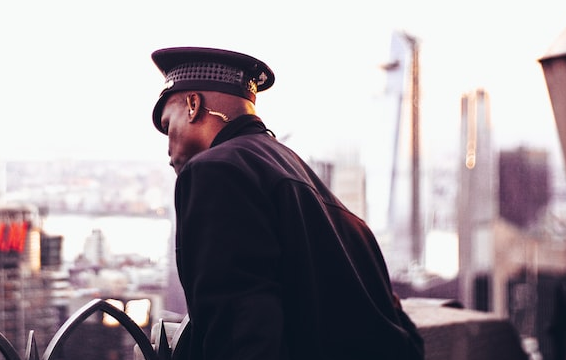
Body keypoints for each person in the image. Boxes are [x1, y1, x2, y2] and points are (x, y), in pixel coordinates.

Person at [150, 46, 424, 360]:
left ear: (193, 105)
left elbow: (240, 329)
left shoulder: (217, 170)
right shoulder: (303, 177)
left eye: (168, 127)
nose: (168, 152)